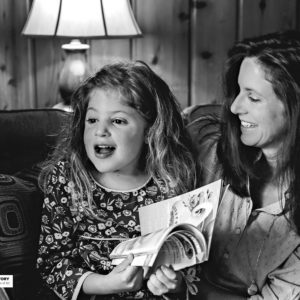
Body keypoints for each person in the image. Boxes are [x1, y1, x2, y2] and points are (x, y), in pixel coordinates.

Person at [36, 61, 200, 300]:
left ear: (149, 131)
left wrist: (174, 284)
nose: (100, 131)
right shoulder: (67, 180)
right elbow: (51, 264)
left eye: (118, 121)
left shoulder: (170, 184)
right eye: (92, 120)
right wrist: (107, 284)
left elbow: (189, 266)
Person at [193, 30, 300, 299]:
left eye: (253, 98)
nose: (235, 107)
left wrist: (188, 288)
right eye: (238, 92)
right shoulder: (209, 149)